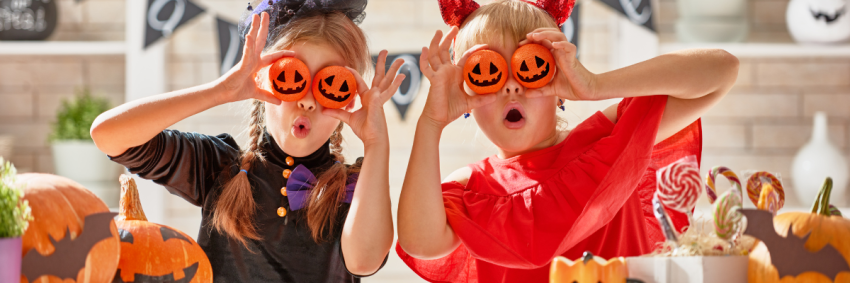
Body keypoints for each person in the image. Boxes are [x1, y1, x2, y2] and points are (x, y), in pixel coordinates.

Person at [395, 0, 738, 282]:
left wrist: (594, 85)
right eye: (489, 72)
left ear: (557, 81)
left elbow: (721, 71)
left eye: (529, 66)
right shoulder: (471, 188)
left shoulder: (607, 141)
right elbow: (419, 242)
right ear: (467, 94)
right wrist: (431, 122)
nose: (512, 86)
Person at [90, 0, 405, 281]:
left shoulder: (355, 187)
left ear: (346, 99)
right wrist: (220, 91)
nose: (307, 101)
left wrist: (377, 143)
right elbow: (108, 135)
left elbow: (364, 261)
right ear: (263, 80)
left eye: (328, 84)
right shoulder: (219, 167)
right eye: (292, 78)